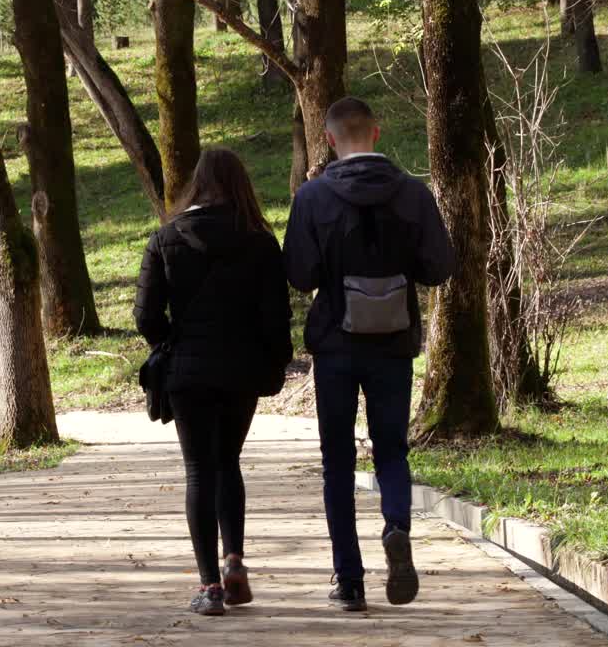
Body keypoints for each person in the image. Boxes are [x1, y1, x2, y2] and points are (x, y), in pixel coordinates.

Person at [283, 97, 455, 611]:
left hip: (335, 345)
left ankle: (349, 581)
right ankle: (397, 526)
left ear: (331, 140)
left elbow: (298, 275)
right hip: (393, 343)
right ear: (376, 134)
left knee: (336, 461)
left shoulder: (313, 197)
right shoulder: (413, 194)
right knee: (392, 451)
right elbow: (439, 267)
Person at [134, 148, 293, 616]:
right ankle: (235, 560)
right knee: (229, 462)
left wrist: (170, 341)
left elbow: (146, 316)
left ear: (196, 185)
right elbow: (276, 318)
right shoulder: (262, 243)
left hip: (188, 372)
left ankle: (209, 587)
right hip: (241, 370)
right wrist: (273, 361)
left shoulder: (165, 239)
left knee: (199, 471)